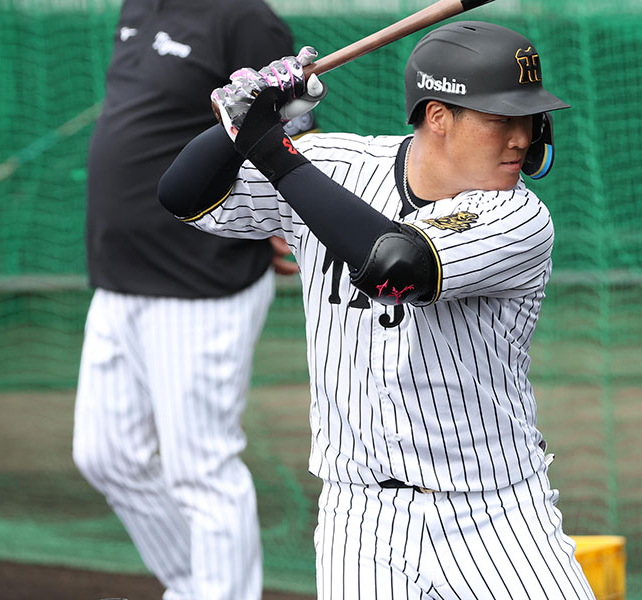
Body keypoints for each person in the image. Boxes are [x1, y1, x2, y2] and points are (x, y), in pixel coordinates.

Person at [159, 20, 595, 600]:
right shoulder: (332, 164)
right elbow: (182, 196)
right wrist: (246, 116)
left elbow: (397, 269)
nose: (521, 137)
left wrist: (268, 144)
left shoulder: (517, 217)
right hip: (359, 515)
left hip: (495, 512)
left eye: (529, 118)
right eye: (501, 118)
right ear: (438, 116)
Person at [71, 1, 314, 599]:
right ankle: (196, 587)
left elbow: (291, 128)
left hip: (202, 277)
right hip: (117, 274)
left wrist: (290, 222)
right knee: (104, 457)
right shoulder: (138, 6)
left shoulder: (244, 18)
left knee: (200, 471)